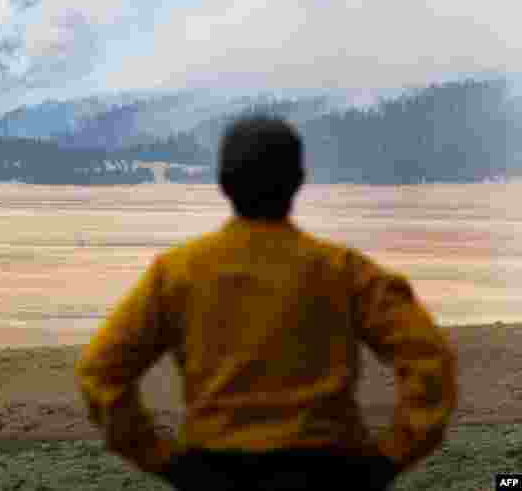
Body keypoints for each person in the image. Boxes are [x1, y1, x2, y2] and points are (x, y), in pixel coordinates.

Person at [75, 116, 457, 490]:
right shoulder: (344, 271)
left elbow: (100, 372)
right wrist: (388, 458)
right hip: (330, 471)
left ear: (223, 183)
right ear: (298, 181)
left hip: (215, 471)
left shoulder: (177, 273)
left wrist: (164, 460)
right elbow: (430, 361)